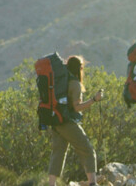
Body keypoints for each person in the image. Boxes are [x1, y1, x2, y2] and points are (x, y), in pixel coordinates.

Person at [48, 56, 104, 186]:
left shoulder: (60, 81)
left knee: (58, 152)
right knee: (88, 150)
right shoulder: (75, 84)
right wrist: (94, 100)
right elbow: (77, 107)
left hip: (56, 121)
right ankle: (92, 183)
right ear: (79, 68)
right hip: (68, 123)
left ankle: (51, 184)